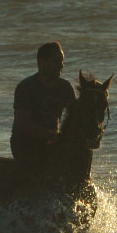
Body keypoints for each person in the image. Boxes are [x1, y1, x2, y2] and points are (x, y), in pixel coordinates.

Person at [10, 42, 77, 173]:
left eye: (62, 61)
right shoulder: (26, 87)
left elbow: (75, 116)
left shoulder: (65, 88)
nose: (61, 65)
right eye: (56, 61)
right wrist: (49, 135)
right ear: (42, 62)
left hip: (53, 142)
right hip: (25, 143)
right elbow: (22, 122)